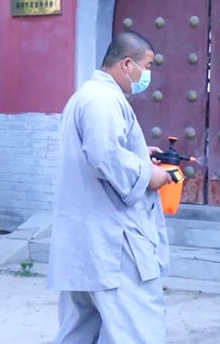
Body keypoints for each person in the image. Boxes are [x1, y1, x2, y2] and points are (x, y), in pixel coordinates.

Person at [48, 31, 173, 343]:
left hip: (86, 240)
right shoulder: (102, 99)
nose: (148, 74)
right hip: (113, 242)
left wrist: (140, 156)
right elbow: (104, 156)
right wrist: (150, 176)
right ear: (127, 64)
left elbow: (103, 151)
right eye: (147, 66)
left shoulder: (90, 95)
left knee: (79, 332)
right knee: (136, 329)